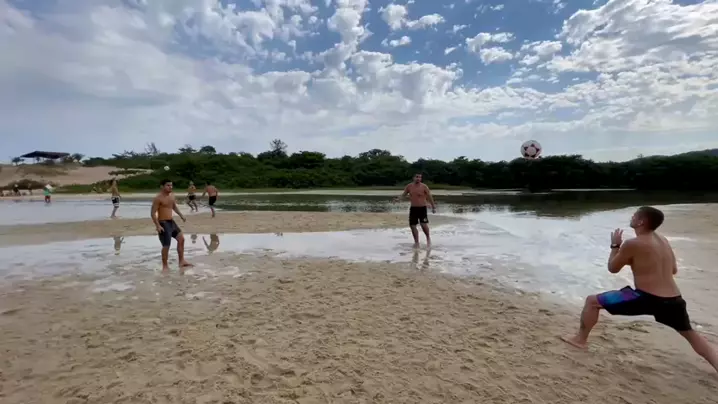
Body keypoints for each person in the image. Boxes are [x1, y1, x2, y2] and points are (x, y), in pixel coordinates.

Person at [561, 206, 718, 373]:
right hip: (674, 300)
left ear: (641, 222)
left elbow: (613, 268)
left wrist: (615, 246)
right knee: (691, 335)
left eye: (635, 215)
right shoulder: (663, 240)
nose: (632, 217)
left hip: (647, 298)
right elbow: (673, 270)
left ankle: (580, 340)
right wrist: (642, 263)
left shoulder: (632, 243)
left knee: (592, 301)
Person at [151, 179, 193, 273]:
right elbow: (153, 213)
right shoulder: (158, 198)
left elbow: (174, 207)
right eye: (168, 185)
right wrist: (158, 226)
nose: (170, 187)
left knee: (181, 239)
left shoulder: (172, 196)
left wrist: (181, 215)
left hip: (171, 222)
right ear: (162, 186)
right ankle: (165, 266)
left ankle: (181, 261)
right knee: (166, 245)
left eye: (171, 185)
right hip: (163, 223)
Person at [393, 173, 436, 248]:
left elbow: (429, 196)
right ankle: (416, 242)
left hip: (422, 208)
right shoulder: (409, 186)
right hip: (413, 208)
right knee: (412, 225)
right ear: (413, 178)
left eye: (420, 177)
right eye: (417, 177)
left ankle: (428, 238)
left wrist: (433, 207)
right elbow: (403, 195)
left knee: (423, 224)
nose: (418, 178)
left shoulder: (424, 186)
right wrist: (398, 199)